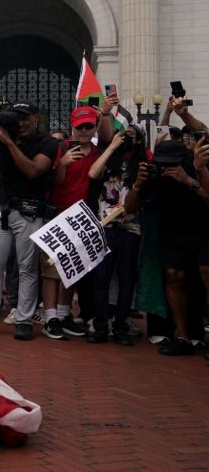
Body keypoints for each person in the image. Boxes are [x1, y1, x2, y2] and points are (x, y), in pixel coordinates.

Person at [0, 102, 59, 341]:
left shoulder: (48, 143)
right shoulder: (1, 140)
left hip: (29, 211)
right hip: (1, 207)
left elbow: (33, 171)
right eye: (16, 119)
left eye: (25, 118)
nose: (20, 123)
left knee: (27, 267)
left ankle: (23, 319)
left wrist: (9, 143)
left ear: (36, 118)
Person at [125, 139, 209, 356]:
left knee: (205, 276)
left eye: (172, 164)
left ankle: (199, 334)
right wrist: (138, 184)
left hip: (202, 230)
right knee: (173, 276)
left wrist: (188, 180)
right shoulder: (155, 174)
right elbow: (131, 208)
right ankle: (182, 337)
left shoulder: (195, 167)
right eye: (163, 164)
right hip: (171, 232)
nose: (167, 168)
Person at [42, 106, 103, 340]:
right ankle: (50, 317)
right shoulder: (61, 148)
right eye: (81, 127)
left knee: (72, 267)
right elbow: (54, 183)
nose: (85, 131)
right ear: (73, 127)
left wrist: (106, 114)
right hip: (57, 213)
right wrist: (63, 163)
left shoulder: (98, 152)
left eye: (89, 126)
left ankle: (64, 313)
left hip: (81, 217)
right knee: (52, 267)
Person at [87, 126, 145, 345]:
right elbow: (92, 173)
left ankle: (121, 325)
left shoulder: (141, 166)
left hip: (131, 229)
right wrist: (112, 147)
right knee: (101, 278)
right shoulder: (110, 161)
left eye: (132, 136)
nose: (127, 138)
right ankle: (101, 324)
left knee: (127, 279)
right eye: (124, 135)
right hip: (106, 228)